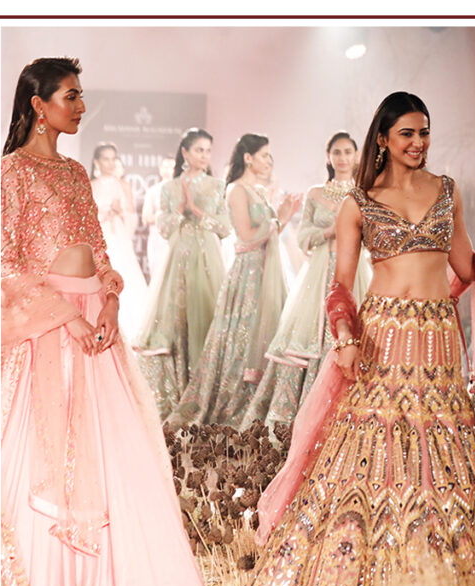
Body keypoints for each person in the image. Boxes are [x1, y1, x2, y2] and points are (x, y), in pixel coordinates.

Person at [239, 92, 475, 586]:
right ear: (384, 139)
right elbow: (340, 287)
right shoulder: (359, 202)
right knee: (373, 456)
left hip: (438, 339)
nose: (419, 143)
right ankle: (362, 585)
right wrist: (345, 337)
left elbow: (471, 268)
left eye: (424, 132)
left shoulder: (447, 191)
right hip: (382, 338)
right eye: (407, 134)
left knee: (447, 457)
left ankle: (448, 582)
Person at [0, 57, 213, 586]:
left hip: (96, 327)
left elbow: (99, 250)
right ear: (38, 105)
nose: (81, 106)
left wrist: (111, 301)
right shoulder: (11, 173)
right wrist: (64, 315)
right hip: (46, 330)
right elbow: (4, 262)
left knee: (113, 456)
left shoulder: (75, 173)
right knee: (47, 458)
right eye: (70, 96)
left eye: (81, 95)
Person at [167, 134, 302, 427]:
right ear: (248, 158)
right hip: (248, 276)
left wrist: (283, 216)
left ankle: (264, 400)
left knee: (267, 332)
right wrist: (279, 218)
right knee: (244, 336)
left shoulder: (259, 191)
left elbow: (270, 234)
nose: (269, 161)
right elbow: (248, 236)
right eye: (264, 155)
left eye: (269, 155)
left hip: (267, 273)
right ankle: (237, 400)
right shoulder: (236, 190)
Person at [243, 131, 372, 431]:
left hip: (354, 271)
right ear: (328, 157)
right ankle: (301, 417)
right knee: (308, 338)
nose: (342, 158)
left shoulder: (365, 194)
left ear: (356, 157)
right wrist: (330, 231)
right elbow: (303, 238)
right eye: (336, 152)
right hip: (319, 272)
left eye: (347, 152)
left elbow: (372, 238)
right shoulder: (315, 194)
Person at [132, 128, 232, 417]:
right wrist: (179, 209)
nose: (204, 156)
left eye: (208, 151)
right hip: (178, 256)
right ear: (185, 152)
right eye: (199, 150)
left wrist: (196, 210)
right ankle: (178, 390)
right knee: (177, 319)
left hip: (208, 258)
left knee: (207, 315)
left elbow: (225, 227)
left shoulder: (217, 186)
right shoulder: (169, 187)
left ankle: (205, 392)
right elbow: (163, 228)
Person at [89, 142, 147, 335]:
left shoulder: (123, 185)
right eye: (106, 158)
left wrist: (120, 212)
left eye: (113, 158)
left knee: (123, 272)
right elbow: (86, 218)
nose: (110, 163)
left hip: (119, 236)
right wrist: (104, 213)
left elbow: (133, 219)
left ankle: (129, 327)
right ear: (97, 161)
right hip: (100, 237)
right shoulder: (90, 185)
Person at [142, 157, 176, 282]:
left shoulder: (182, 190)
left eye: (171, 167)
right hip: (158, 237)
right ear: (160, 169)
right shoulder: (153, 191)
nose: (168, 170)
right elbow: (146, 217)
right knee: (157, 272)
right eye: (165, 166)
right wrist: (163, 216)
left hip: (176, 237)